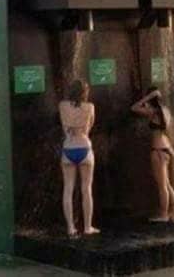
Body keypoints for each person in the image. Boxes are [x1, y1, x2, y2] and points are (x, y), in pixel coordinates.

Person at [131, 87, 174, 222]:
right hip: (167, 148)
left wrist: (147, 98)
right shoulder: (165, 111)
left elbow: (134, 108)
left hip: (158, 150)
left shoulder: (153, 112)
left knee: (162, 185)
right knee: (167, 183)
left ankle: (164, 214)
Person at [59, 80, 99, 238]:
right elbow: (90, 127)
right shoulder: (90, 107)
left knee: (68, 189)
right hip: (84, 148)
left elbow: (64, 126)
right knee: (86, 189)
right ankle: (87, 227)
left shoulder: (62, 106)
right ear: (84, 93)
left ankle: (70, 228)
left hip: (68, 148)